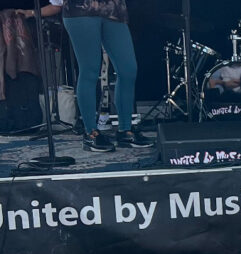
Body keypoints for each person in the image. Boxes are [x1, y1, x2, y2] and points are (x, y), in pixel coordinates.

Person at [18, 0, 151, 152]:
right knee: (90, 70)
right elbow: (58, 3)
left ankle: (125, 130)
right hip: (81, 11)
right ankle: (91, 133)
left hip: (114, 11)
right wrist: (32, 13)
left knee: (128, 69)